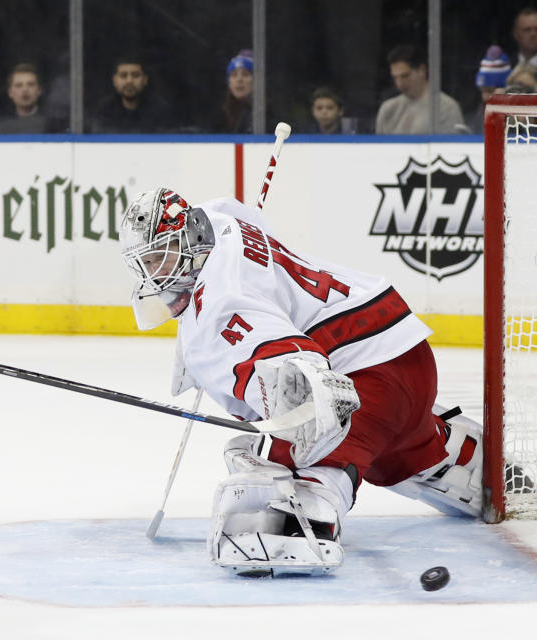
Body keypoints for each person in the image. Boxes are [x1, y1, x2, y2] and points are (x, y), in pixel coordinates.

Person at [117, 188, 484, 576]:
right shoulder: (217, 219)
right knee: (389, 442)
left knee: (280, 454)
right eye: (146, 262)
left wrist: (282, 446)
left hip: (370, 380)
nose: (151, 273)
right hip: (404, 349)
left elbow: (298, 377)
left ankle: (302, 516)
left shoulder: (223, 306)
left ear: (188, 240)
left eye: (158, 258)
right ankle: (452, 453)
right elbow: (245, 223)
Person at [375, 45, 465, 135]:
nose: (399, 84)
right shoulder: (388, 108)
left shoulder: (446, 108)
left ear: (422, 70)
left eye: (405, 76)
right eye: (395, 77)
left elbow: (451, 146)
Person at [90, 56, 173, 133]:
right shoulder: (104, 110)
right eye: (123, 76)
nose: (129, 81)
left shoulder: (161, 110)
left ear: (145, 80)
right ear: (114, 81)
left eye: (135, 75)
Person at [0, 63, 62, 134]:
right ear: (10, 93)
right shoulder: (1, 125)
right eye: (19, 85)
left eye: (31, 84)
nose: (25, 90)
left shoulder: (52, 125)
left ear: (39, 90)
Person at [465, 46, 512, 135]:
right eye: (483, 90)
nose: (484, 97)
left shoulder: (522, 119)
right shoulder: (471, 121)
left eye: (490, 91)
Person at [214, 49, 253, 134]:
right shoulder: (219, 117)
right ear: (228, 81)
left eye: (245, 74)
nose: (239, 79)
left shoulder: (265, 117)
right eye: (234, 75)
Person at [511, 7, 537, 74]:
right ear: (516, 34)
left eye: (536, 29)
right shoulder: (504, 64)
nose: (533, 34)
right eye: (527, 30)